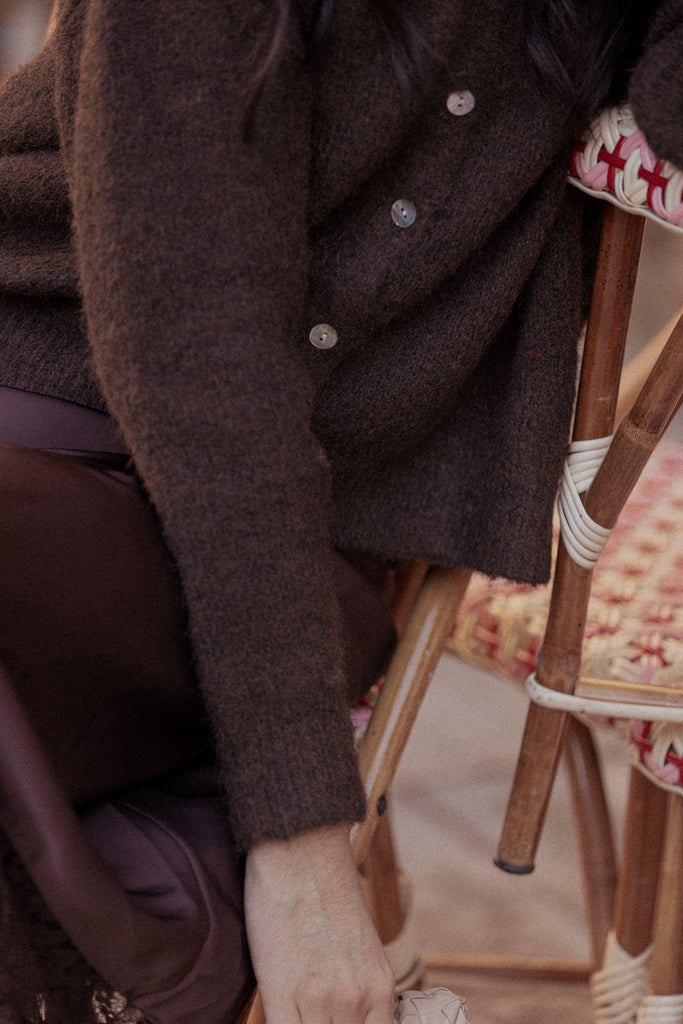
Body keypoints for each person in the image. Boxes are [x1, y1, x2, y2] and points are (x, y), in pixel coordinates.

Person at [0, 0, 681, 1021]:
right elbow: (202, 364)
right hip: (59, 421)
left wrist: (298, 845)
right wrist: (302, 845)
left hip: (292, 544)